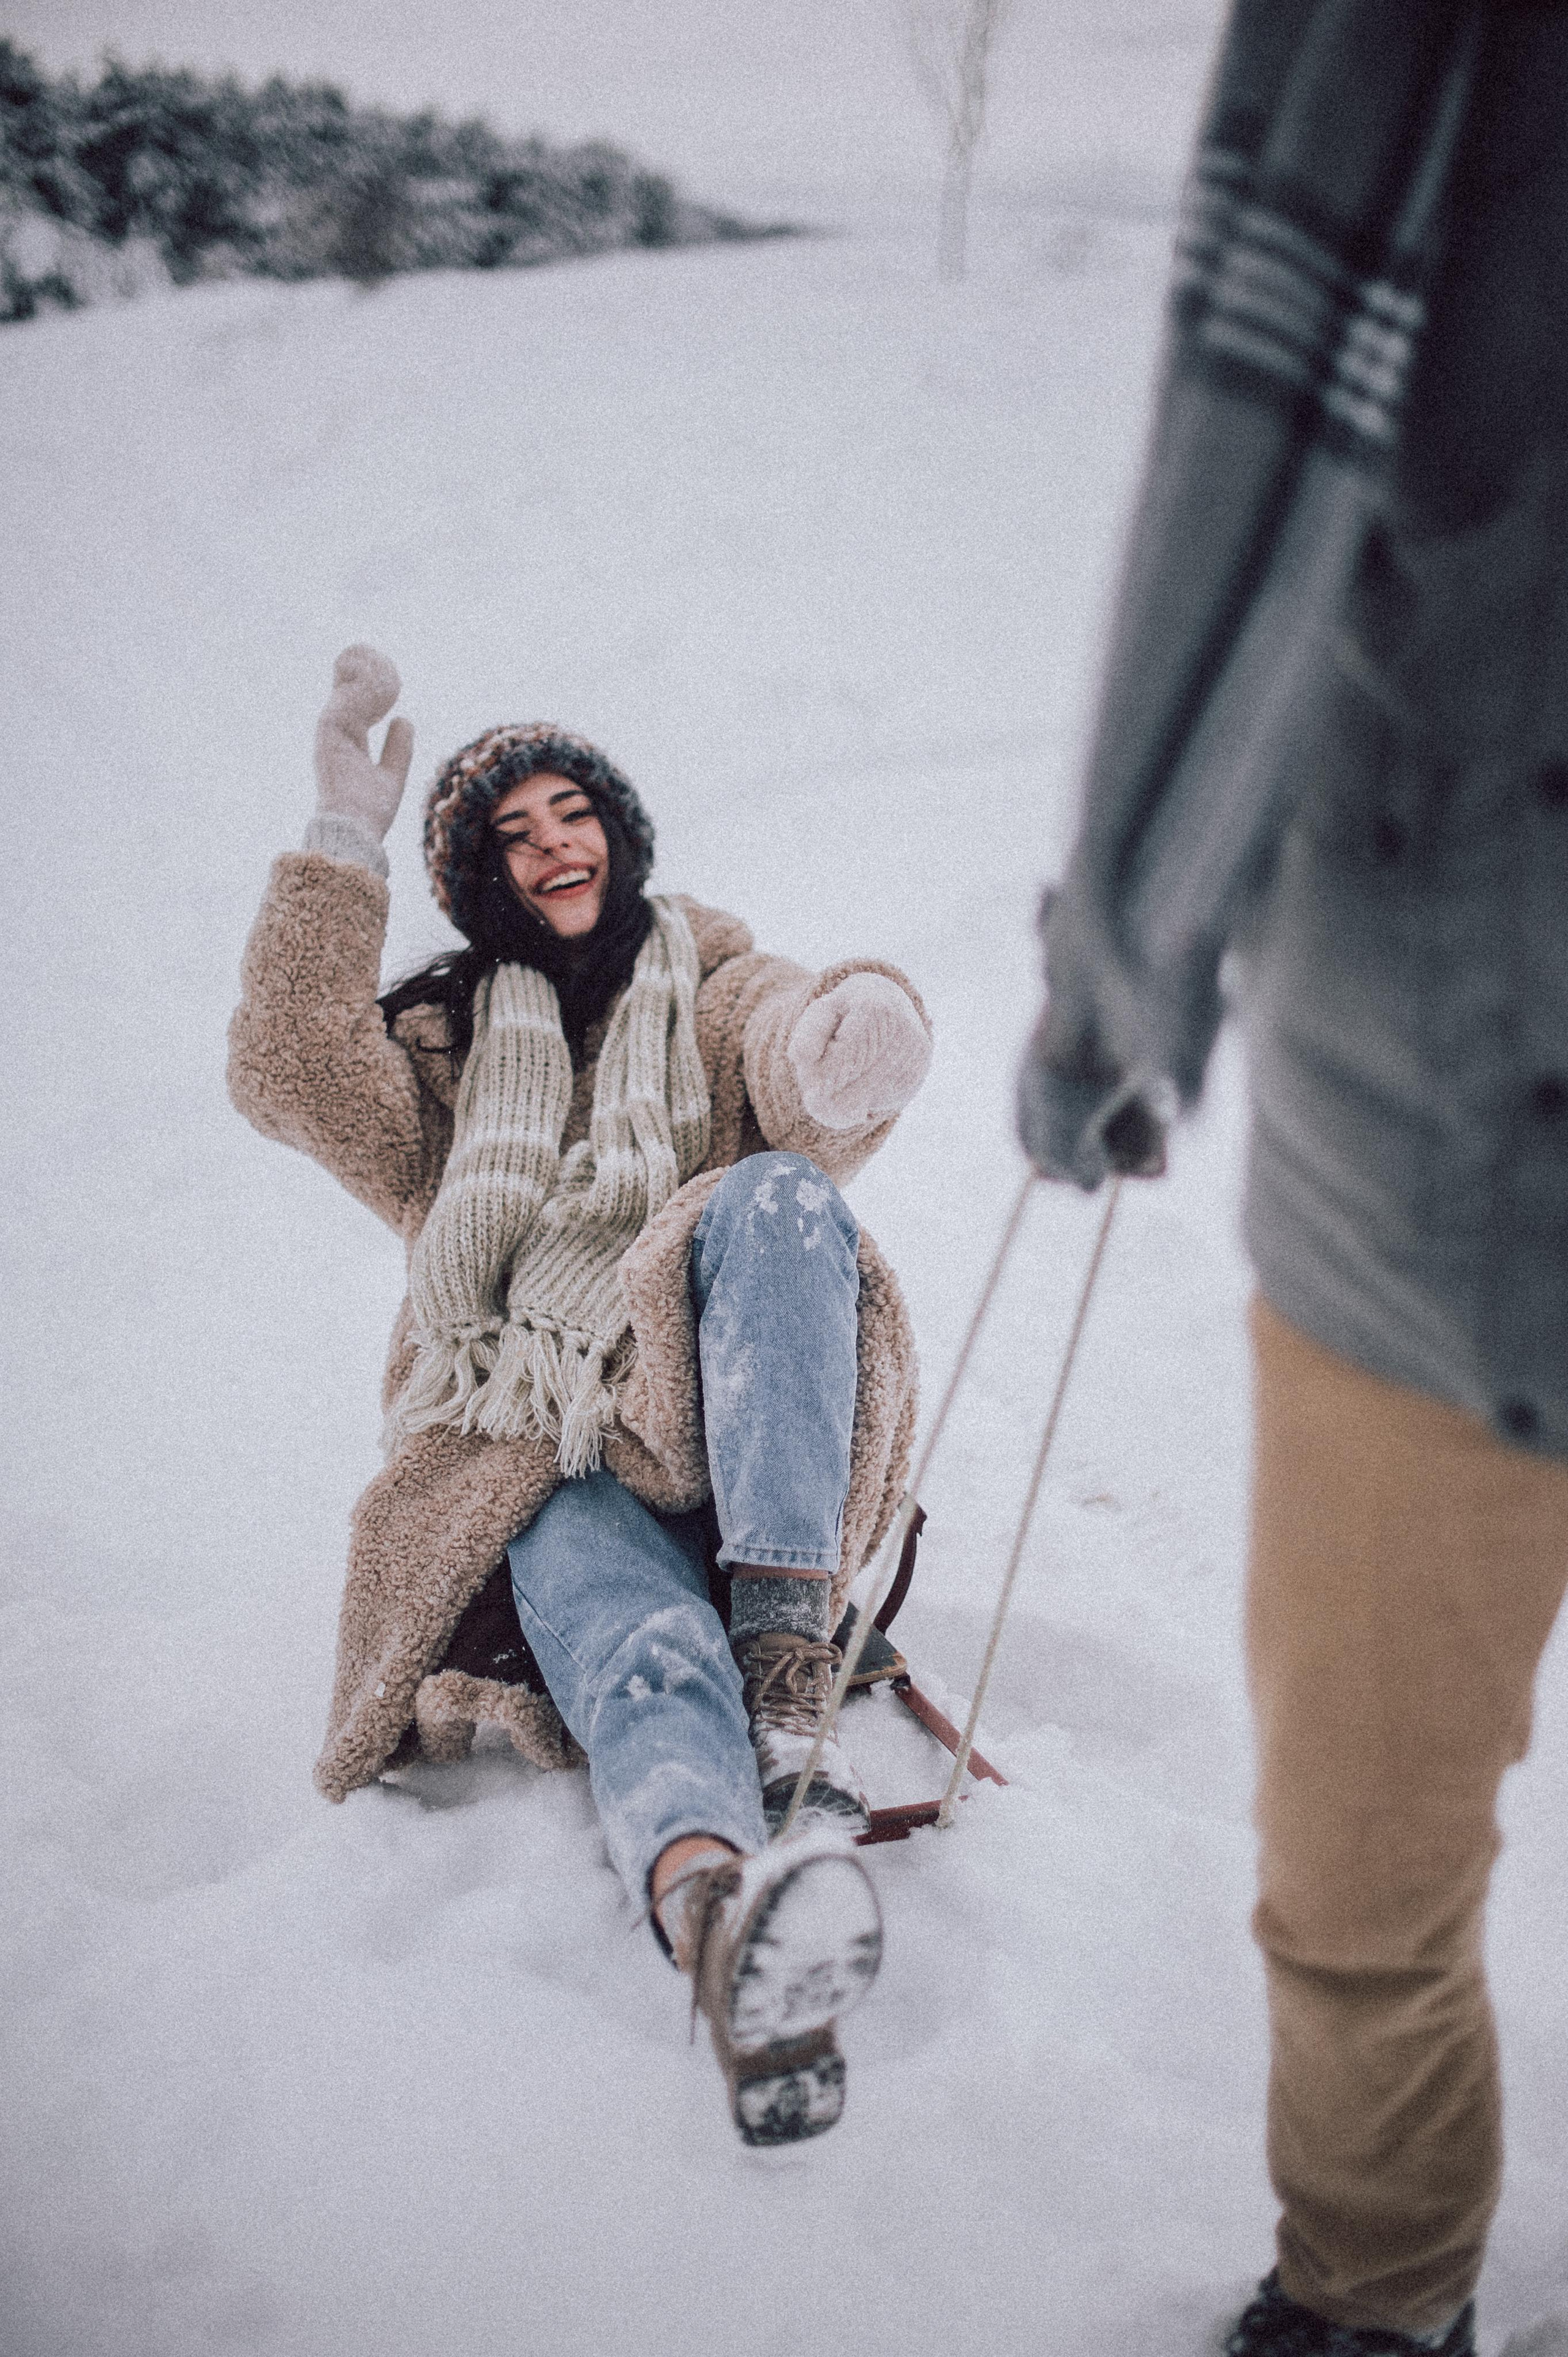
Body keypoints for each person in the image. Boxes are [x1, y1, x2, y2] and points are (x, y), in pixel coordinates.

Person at [1017, 4, 1568, 2352]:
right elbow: (1243, 473)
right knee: (1357, 1880)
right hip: (1417, 1167)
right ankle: (1370, 2301)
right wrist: (1126, 963)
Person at [228, 645, 933, 2146]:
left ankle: (790, 1677)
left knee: (775, 1198)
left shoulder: (715, 972)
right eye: (512, 831)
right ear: (484, 879)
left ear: (617, 827)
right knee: (633, 1635)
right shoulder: (434, 1062)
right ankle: (720, 1916)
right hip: (534, 1448)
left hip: (730, 1437)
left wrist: (849, 1035)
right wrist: (340, 842)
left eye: (572, 810)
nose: (553, 843)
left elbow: (797, 1050)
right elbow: (287, 1064)